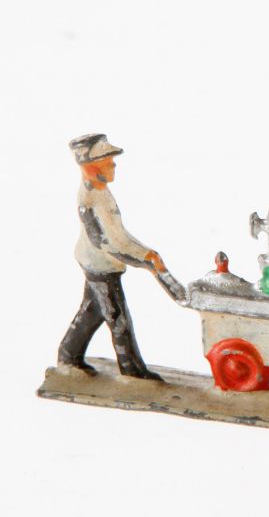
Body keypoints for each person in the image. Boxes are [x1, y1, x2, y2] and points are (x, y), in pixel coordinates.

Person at [58, 133, 174, 380]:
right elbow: (107, 243)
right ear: (90, 167)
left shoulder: (101, 191)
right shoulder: (90, 200)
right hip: (100, 266)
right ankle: (132, 372)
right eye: (108, 162)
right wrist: (144, 259)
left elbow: (119, 235)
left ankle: (68, 356)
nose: (114, 166)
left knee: (92, 311)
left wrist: (147, 254)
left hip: (97, 263)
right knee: (118, 319)